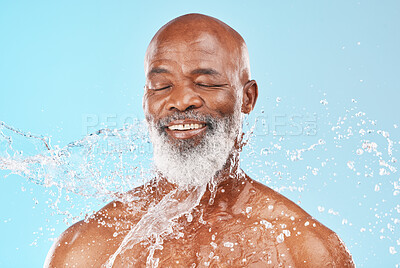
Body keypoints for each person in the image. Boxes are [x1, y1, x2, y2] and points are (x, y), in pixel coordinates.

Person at [44, 13, 354, 267]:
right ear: (145, 101)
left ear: (247, 98)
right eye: (162, 86)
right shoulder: (89, 249)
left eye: (205, 83)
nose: (180, 101)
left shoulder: (302, 249)